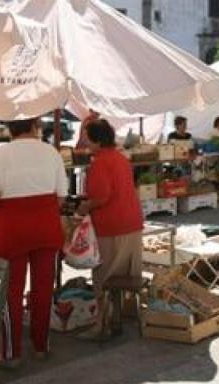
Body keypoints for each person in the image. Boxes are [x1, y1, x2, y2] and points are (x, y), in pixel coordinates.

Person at [0, 117, 67, 369]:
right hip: (46, 227)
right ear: (34, 127)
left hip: (13, 230)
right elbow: (61, 196)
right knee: (43, 289)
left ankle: (12, 354)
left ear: (10, 129)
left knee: (11, 292)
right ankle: (41, 347)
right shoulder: (51, 152)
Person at [77, 119, 144, 338]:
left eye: (87, 138)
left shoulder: (100, 163)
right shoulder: (121, 158)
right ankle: (119, 317)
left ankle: (102, 325)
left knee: (104, 277)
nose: (85, 142)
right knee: (123, 275)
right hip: (131, 222)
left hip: (112, 226)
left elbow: (101, 197)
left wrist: (84, 206)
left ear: (97, 141)